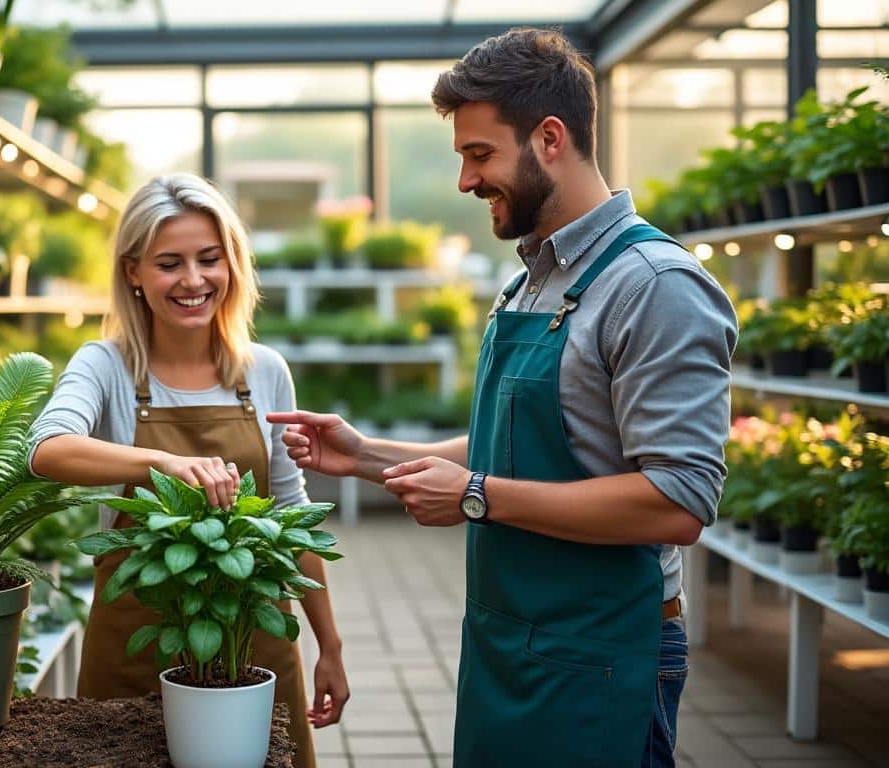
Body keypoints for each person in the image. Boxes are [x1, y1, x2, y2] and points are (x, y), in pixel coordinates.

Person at [269, 28, 736, 768]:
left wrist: (478, 496)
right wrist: (366, 457)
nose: (464, 181)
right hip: (506, 643)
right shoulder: (528, 282)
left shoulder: (652, 285)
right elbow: (508, 446)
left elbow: (678, 501)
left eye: (478, 154)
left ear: (550, 138)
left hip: (601, 653)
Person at [29, 173, 349, 768]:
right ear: (134, 272)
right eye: (169, 263)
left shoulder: (264, 371)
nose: (194, 280)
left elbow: (291, 513)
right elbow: (47, 448)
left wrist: (329, 643)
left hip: (251, 643)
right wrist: (163, 461)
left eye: (209, 259)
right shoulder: (105, 367)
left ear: (232, 263)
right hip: (138, 644)